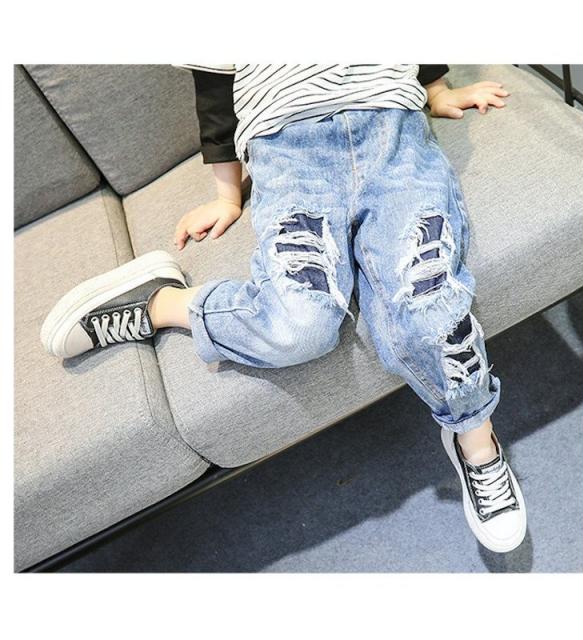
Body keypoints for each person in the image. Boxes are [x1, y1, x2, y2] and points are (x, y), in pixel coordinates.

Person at [41, 64, 526, 553]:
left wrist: (436, 89)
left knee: (428, 308)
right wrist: (227, 195)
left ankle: (477, 443)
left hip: (392, 131)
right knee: (299, 326)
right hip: (288, 148)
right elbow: (215, 88)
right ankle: (160, 302)